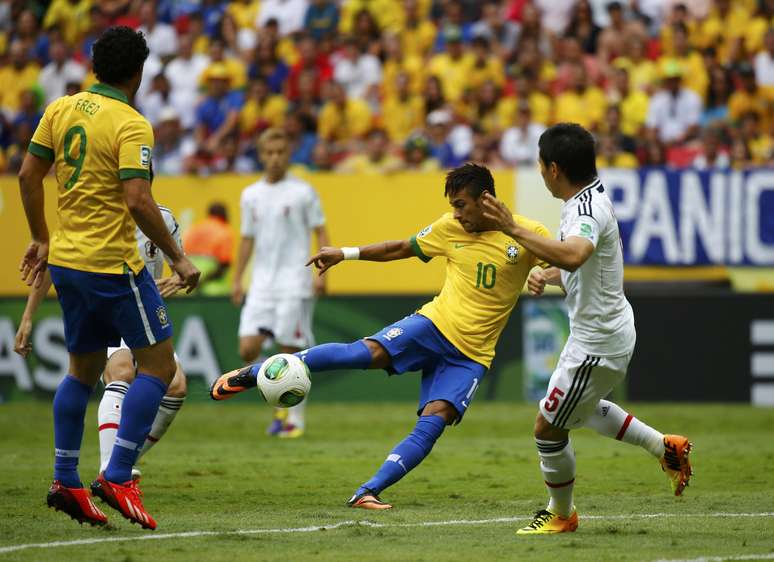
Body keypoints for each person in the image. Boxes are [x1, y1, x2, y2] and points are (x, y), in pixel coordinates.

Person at [210, 163, 553, 510]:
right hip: (432, 325)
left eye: (461, 205)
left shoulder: (526, 232)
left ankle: (367, 491)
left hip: (472, 355)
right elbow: (398, 248)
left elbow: (564, 262)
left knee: (434, 421)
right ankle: (254, 373)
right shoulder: (449, 228)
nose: (456, 213)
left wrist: (545, 276)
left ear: (485, 199)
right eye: (453, 206)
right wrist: (344, 253)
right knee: (362, 354)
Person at [18, 26, 199, 530]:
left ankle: (65, 478)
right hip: (113, 264)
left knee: (80, 372)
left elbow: (28, 177)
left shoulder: (60, 108)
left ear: (95, 65)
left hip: (69, 263)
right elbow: (138, 200)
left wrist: (41, 237)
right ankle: (118, 473)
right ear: (139, 73)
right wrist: (179, 259)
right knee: (159, 369)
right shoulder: (132, 123)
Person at [478, 123, 692, 535]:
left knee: (547, 426)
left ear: (554, 168)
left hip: (598, 344)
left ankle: (562, 514)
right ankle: (665, 447)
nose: (539, 172)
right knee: (581, 409)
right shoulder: (586, 198)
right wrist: (552, 274)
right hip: (602, 336)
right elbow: (586, 264)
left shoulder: (585, 209)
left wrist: (512, 227)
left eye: (541, 165)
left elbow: (577, 254)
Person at [15, 199, 188, 482]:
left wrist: (173, 281)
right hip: (108, 308)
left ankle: (122, 460)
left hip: (143, 313)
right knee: (120, 371)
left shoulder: (164, 219)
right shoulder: (92, 215)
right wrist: (27, 317)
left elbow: (178, 268)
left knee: (177, 386)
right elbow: (49, 262)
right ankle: (110, 468)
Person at [230, 128, 329, 438]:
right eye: (269, 153)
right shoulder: (251, 195)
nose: (275, 158)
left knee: (291, 349)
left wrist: (323, 272)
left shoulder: (303, 192)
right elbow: (247, 239)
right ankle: (278, 392)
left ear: (289, 154)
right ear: (261, 155)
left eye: (280, 153)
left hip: (294, 281)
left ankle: (292, 419)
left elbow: (321, 231)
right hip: (261, 284)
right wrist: (236, 279)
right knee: (247, 348)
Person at [183, 202, 235, 296]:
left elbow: (182, 257)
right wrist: (203, 281)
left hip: (191, 288)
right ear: (225, 214)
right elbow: (224, 264)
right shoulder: (224, 231)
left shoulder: (194, 229)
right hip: (214, 292)